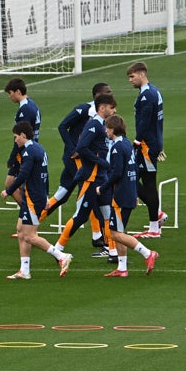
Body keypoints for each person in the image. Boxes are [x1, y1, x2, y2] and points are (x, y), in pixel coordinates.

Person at [3, 120, 73, 279]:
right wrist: (46, 196)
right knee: (20, 230)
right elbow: (45, 175)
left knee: (29, 236)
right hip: (36, 196)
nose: (15, 140)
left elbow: (23, 175)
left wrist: (9, 191)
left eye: (16, 137)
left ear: (23, 135)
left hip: (32, 198)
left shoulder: (28, 152)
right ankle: (24, 270)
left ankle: (61, 256)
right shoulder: (39, 148)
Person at [39, 82, 111, 224]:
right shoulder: (84, 109)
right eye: (107, 92)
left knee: (63, 193)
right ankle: (97, 233)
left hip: (85, 159)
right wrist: (74, 149)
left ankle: (33, 221)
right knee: (89, 193)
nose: (110, 94)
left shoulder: (105, 113)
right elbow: (62, 126)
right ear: (97, 95)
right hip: (77, 159)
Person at [52, 93, 115, 253]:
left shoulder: (102, 125)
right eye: (112, 107)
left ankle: (113, 252)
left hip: (101, 177)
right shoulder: (93, 124)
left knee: (107, 213)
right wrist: (99, 161)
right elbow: (81, 147)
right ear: (102, 108)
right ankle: (58, 249)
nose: (114, 110)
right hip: (90, 178)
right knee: (80, 216)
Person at [97, 113, 158, 277]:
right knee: (119, 231)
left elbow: (116, 173)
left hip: (121, 195)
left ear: (112, 129)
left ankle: (147, 253)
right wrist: (134, 192)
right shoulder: (127, 144)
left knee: (115, 233)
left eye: (107, 128)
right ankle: (122, 268)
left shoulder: (117, 147)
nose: (105, 131)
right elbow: (134, 170)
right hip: (129, 192)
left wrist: (102, 188)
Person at [126, 61, 167, 239]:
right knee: (134, 179)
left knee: (146, 184)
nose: (130, 80)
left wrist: (136, 141)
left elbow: (145, 120)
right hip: (151, 143)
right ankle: (157, 215)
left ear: (142, 74)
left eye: (132, 76)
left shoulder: (147, 95)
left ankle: (155, 227)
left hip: (147, 146)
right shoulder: (153, 91)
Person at [3, 78, 40, 204]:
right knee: (18, 185)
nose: (9, 96)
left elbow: (22, 136)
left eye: (10, 93)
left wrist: (12, 157)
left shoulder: (25, 110)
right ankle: (29, 210)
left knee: (10, 184)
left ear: (18, 91)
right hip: (32, 148)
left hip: (24, 152)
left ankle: (29, 211)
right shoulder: (32, 104)